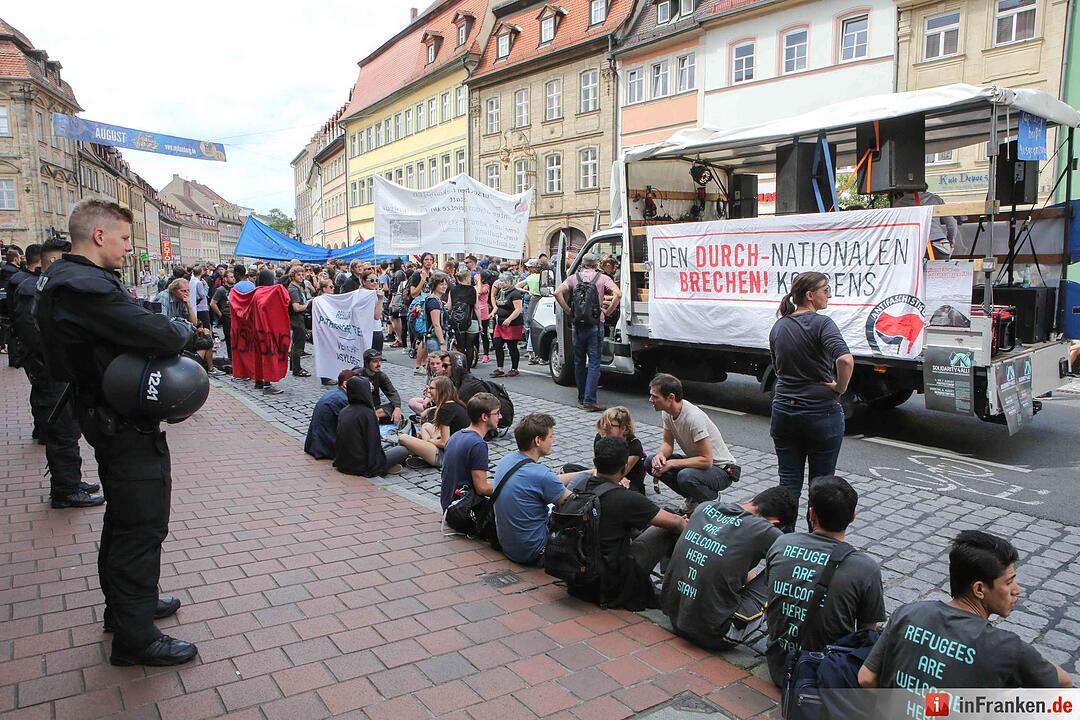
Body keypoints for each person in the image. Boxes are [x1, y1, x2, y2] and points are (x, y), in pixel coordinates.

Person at [36, 199, 197, 667]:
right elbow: (159, 333)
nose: (131, 248)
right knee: (140, 525)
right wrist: (184, 331)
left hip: (108, 410)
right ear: (99, 237)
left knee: (126, 520)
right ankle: (135, 638)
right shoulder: (83, 286)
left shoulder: (69, 280)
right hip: (119, 418)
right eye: (125, 239)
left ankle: (129, 609)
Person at [859, 530, 1073, 690]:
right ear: (979, 589)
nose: (1017, 590)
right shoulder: (1008, 648)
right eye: (1009, 583)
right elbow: (1064, 683)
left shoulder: (908, 613)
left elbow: (866, 678)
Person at [764, 475, 885, 687]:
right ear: (853, 516)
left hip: (779, 668)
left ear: (812, 514)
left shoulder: (782, 543)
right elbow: (867, 633)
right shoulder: (866, 568)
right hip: (825, 675)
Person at [11, 238, 102, 508]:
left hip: (56, 370)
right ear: (52, 261)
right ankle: (65, 489)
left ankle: (70, 480)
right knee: (62, 430)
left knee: (67, 428)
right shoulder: (33, 288)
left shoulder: (41, 286)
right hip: (52, 372)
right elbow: (34, 334)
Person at [661, 487, 796, 650]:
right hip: (713, 633)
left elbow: (724, 556)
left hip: (674, 614)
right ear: (774, 523)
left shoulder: (705, 507)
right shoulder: (766, 530)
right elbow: (795, 559)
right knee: (786, 568)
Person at [565, 437, 688, 611]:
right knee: (671, 524)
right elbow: (675, 524)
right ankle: (676, 584)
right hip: (609, 584)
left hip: (578, 577)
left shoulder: (580, 483)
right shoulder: (626, 498)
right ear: (624, 468)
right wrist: (686, 524)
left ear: (595, 462)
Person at [769, 272, 854, 524]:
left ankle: (783, 541)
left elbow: (778, 369)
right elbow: (845, 359)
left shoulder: (779, 326)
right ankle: (815, 542)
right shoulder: (822, 323)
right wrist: (839, 387)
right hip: (821, 414)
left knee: (788, 483)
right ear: (810, 295)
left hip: (784, 411)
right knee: (822, 485)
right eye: (825, 290)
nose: (828, 294)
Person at [492, 413, 577, 565]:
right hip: (534, 552)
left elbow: (549, 482)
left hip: (508, 545)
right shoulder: (541, 475)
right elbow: (574, 505)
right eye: (551, 436)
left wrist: (588, 472)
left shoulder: (506, 461)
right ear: (538, 440)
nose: (553, 440)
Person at [646, 374, 738, 512]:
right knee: (650, 461)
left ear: (670, 398)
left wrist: (671, 463)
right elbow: (667, 443)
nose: (650, 400)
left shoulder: (694, 418)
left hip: (721, 469)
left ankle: (711, 499)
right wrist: (661, 456)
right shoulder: (667, 412)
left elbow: (707, 461)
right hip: (699, 464)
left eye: (655, 396)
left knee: (686, 476)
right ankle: (693, 497)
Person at [554, 253, 621, 412]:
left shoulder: (573, 278)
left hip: (578, 324)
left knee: (578, 361)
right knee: (593, 362)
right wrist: (607, 311)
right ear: (596, 264)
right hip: (595, 324)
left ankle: (581, 396)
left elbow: (557, 293)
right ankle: (590, 401)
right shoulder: (603, 278)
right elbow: (618, 294)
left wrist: (569, 310)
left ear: (582, 264)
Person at [561, 406, 647, 495]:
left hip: (626, 479)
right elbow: (599, 465)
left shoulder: (634, 445)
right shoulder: (600, 437)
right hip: (605, 474)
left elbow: (621, 473)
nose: (605, 429)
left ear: (623, 428)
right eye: (603, 424)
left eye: (610, 426)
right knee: (568, 468)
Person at [334, 377, 408, 477]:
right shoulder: (368, 414)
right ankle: (387, 467)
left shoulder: (344, 411)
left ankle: (388, 466)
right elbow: (373, 445)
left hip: (343, 463)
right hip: (361, 466)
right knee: (402, 450)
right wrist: (378, 467)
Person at [439, 392, 501, 510]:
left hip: (448, 503)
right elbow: (481, 488)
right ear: (484, 417)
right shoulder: (478, 444)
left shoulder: (456, 435)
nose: (500, 417)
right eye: (497, 413)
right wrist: (507, 489)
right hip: (462, 510)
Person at [397, 376, 468, 469]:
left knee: (403, 438)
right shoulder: (455, 404)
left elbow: (444, 443)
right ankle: (422, 452)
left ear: (441, 390)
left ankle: (423, 454)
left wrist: (428, 441)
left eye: (431, 388)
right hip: (457, 449)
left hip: (448, 456)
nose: (428, 391)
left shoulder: (445, 409)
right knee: (426, 426)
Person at [305, 369, 359, 460]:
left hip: (315, 443)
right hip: (325, 446)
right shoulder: (342, 399)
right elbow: (352, 425)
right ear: (345, 384)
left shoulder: (337, 394)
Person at [892, 190, 957, 259]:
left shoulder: (898, 204)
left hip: (913, 247)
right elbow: (952, 224)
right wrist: (950, 243)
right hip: (939, 245)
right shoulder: (935, 199)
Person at [490, 270, 523, 378]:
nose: (500, 283)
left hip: (513, 324)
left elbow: (518, 309)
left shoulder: (515, 293)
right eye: (500, 281)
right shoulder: (501, 291)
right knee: (497, 343)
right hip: (500, 324)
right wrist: (493, 312)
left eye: (503, 281)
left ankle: (514, 368)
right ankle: (500, 368)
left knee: (512, 346)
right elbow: (498, 305)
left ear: (509, 281)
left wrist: (509, 319)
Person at [357, 349, 403, 426]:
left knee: (396, 414)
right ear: (367, 363)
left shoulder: (381, 375)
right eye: (375, 361)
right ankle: (369, 418)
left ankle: (372, 417)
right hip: (361, 408)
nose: (379, 364)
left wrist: (397, 408)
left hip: (376, 409)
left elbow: (392, 392)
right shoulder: (358, 375)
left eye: (380, 361)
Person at [448, 268, 479, 367]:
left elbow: (449, 306)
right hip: (471, 319)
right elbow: (476, 308)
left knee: (460, 347)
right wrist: (481, 323)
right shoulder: (472, 289)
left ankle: (461, 368)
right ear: (466, 278)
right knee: (470, 346)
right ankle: (468, 369)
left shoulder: (453, 290)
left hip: (458, 321)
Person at [287, 267, 312, 378]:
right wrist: (308, 304)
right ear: (293, 276)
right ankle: (297, 369)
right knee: (298, 344)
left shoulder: (297, 287)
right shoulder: (293, 289)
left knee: (296, 343)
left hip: (299, 318)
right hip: (297, 318)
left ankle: (294, 366)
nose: (302, 276)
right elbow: (296, 307)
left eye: (302, 274)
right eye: (299, 275)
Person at [210, 269, 234, 359]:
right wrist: (220, 315)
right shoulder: (221, 290)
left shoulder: (235, 288)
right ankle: (230, 359)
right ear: (225, 278)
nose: (233, 278)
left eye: (233, 276)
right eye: (231, 277)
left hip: (236, 316)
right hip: (227, 317)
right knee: (229, 339)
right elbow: (213, 303)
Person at [361, 269, 385, 353]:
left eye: (376, 280)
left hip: (373, 330)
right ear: (364, 282)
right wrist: (381, 299)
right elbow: (377, 316)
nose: (375, 282)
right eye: (371, 280)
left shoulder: (375, 293)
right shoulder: (368, 295)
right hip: (371, 331)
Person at [475, 269, 493, 364]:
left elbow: (480, 291)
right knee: (474, 335)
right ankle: (476, 353)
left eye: (478, 275)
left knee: (484, 334)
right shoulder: (474, 286)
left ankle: (486, 354)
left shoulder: (486, 286)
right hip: (475, 312)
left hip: (483, 312)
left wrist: (478, 281)